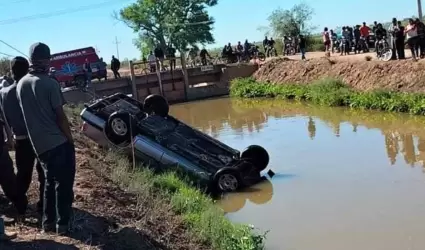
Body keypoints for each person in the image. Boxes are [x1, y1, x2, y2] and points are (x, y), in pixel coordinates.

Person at [17, 42, 75, 235]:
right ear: (46, 59)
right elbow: (60, 117)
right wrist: (70, 139)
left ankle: (48, 224)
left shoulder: (21, 84)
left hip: (39, 145)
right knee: (63, 185)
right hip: (58, 142)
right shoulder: (50, 83)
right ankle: (63, 225)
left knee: (49, 183)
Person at [0, 56, 45, 216]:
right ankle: (43, 206)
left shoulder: (4, 93)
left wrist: (9, 138)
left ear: (11, 72)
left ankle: (20, 207)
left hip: (20, 139)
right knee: (43, 174)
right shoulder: (31, 88)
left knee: (22, 175)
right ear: (28, 70)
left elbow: (5, 119)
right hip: (38, 138)